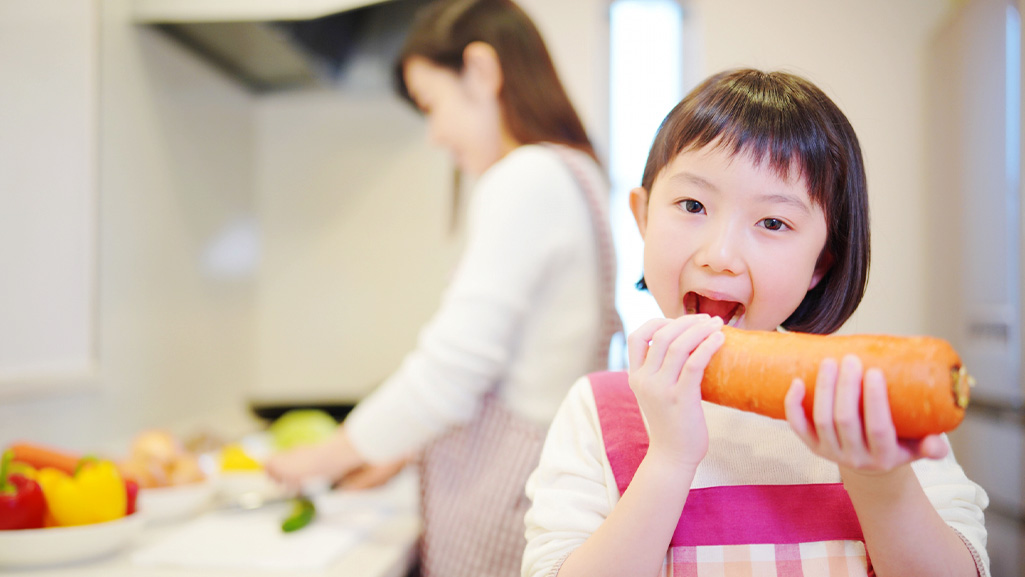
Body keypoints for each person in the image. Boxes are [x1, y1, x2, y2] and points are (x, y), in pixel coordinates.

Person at [522, 68, 989, 577]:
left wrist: (880, 480)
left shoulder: (875, 409)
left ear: (820, 263)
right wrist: (669, 461)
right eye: (692, 205)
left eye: (773, 222)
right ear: (643, 217)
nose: (720, 255)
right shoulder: (596, 411)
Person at [266, 1, 621, 576]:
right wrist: (395, 449)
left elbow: (451, 372)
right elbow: (513, 368)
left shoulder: (525, 177)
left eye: (432, 105)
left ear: (481, 71)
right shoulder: (575, 171)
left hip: (505, 495)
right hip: (542, 480)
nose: (434, 136)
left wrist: (321, 458)